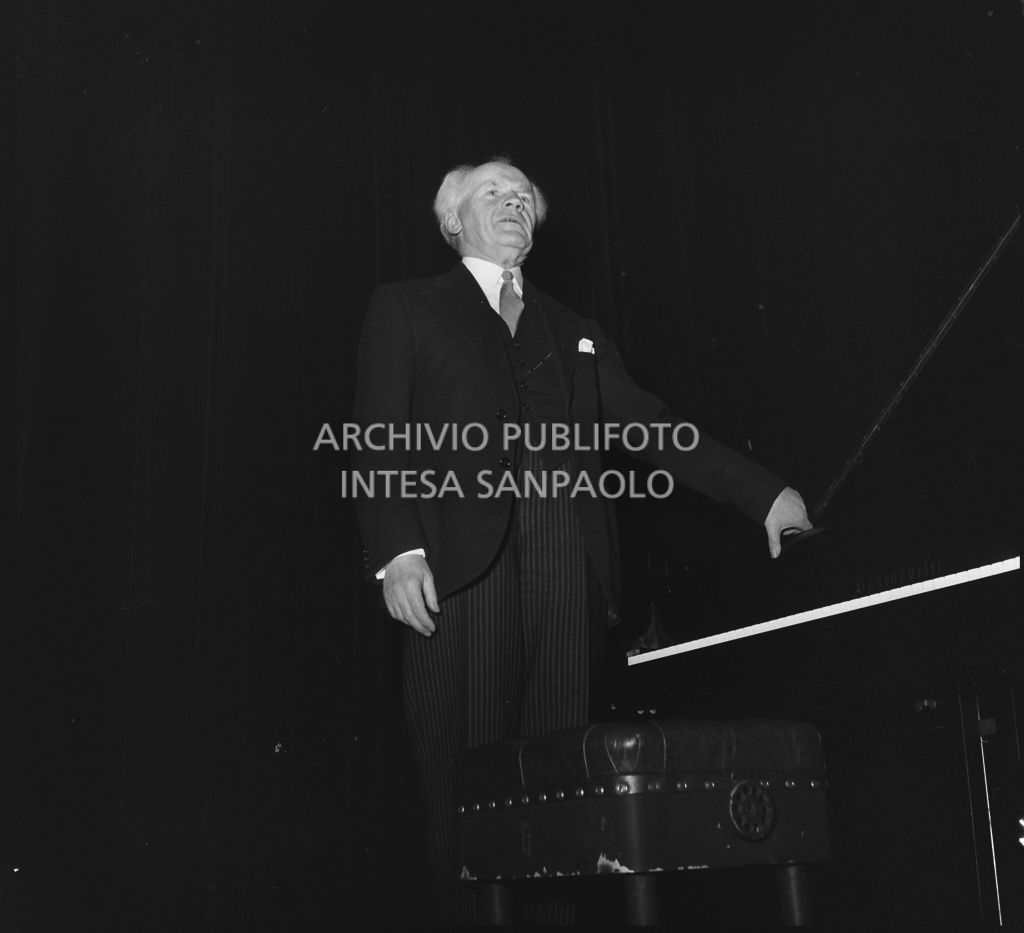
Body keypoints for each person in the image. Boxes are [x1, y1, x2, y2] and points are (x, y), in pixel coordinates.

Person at [352, 157, 811, 922]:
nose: (513, 202)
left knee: (560, 794)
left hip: (567, 573)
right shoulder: (406, 309)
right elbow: (378, 435)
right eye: (493, 192)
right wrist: (399, 552)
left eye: (524, 196)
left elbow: (654, 427)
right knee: (462, 801)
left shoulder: (576, 331)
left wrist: (763, 494)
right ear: (452, 221)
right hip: (459, 580)